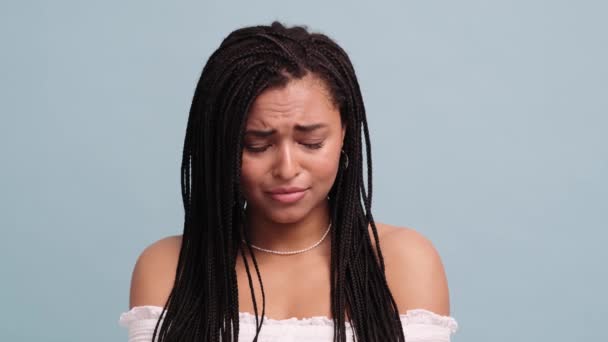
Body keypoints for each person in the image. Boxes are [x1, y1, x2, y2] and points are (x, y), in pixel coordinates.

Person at [119, 21, 458, 341]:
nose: (286, 167)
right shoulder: (167, 267)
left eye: (311, 143)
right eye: (257, 145)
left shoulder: (403, 262)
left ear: (344, 135)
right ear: (220, 147)